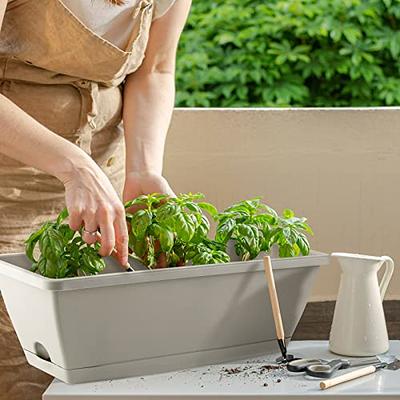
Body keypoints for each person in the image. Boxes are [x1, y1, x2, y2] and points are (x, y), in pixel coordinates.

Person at [0, 0, 191, 398]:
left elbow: (155, 69)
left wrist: (142, 169)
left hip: (103, 180)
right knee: (15, 353)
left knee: (96, 351)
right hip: (9, 184)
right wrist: (74, 166)